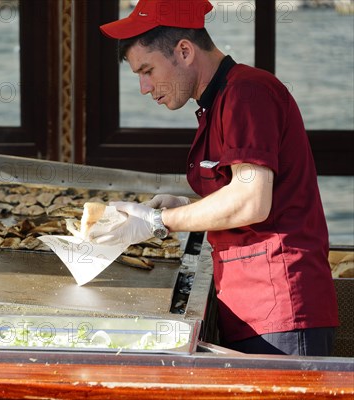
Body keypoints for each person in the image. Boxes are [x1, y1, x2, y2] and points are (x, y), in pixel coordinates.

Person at [95, 0, 339, 356]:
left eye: (146, 71)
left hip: (281, 308)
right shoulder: (219, 100)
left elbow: (251, 200)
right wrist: (189, 206)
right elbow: (242, 193)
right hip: (252, 304)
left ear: (183, 50)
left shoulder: (246, 94)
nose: (145, 88)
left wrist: (159, 221)